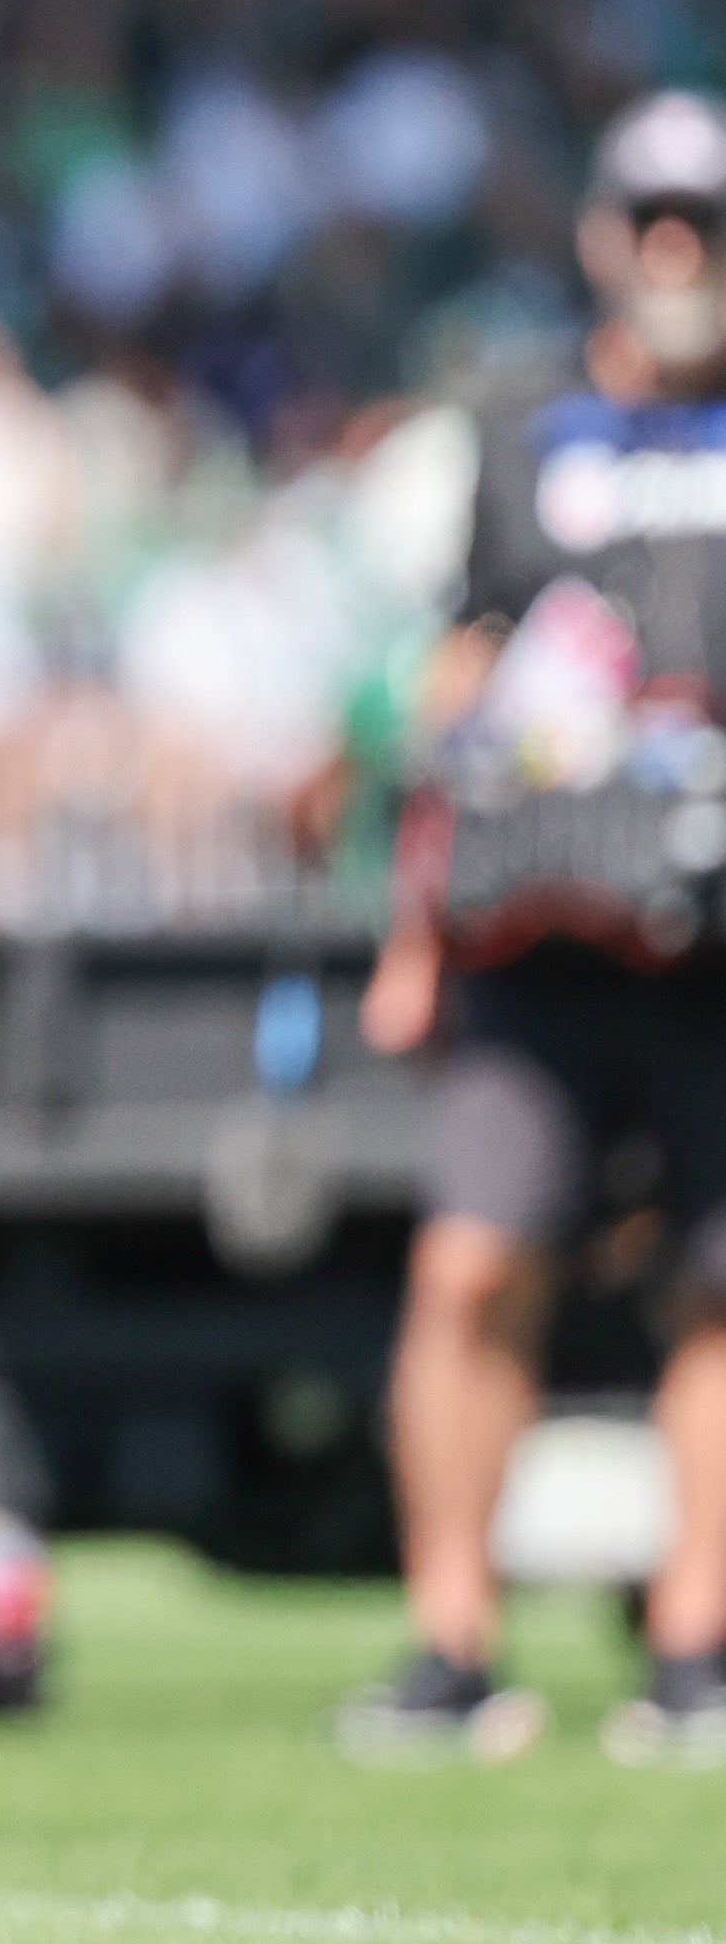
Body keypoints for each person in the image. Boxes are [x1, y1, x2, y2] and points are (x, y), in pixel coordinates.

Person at [348, 90, 726, 1766]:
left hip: (711, 952)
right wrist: (407, 928)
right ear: (598, 231)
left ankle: (695, 1652)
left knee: (714, 1301)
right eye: (649, 219)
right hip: (528, 944)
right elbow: (452, 680)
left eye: (699, 224)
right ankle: (448, 1642)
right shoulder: (513, 430)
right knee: (464, 1266)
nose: (674, 253)